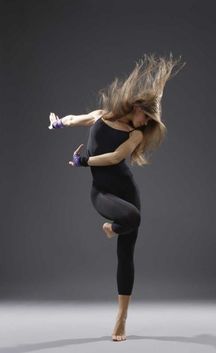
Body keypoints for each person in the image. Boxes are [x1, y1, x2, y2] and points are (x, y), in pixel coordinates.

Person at [48, 52, 186, 342]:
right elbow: (79, 118)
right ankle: (112, 227)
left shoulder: (135, 135)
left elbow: (113, 158)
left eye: (150, 120)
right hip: (103, 193)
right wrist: (61, 122)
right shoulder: (102, 115)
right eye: (145, 115)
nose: (145, 123)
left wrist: (82, 163)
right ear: (135, 106)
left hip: (126, 189)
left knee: (127, 247)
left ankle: (121, 319)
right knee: (132, 220)